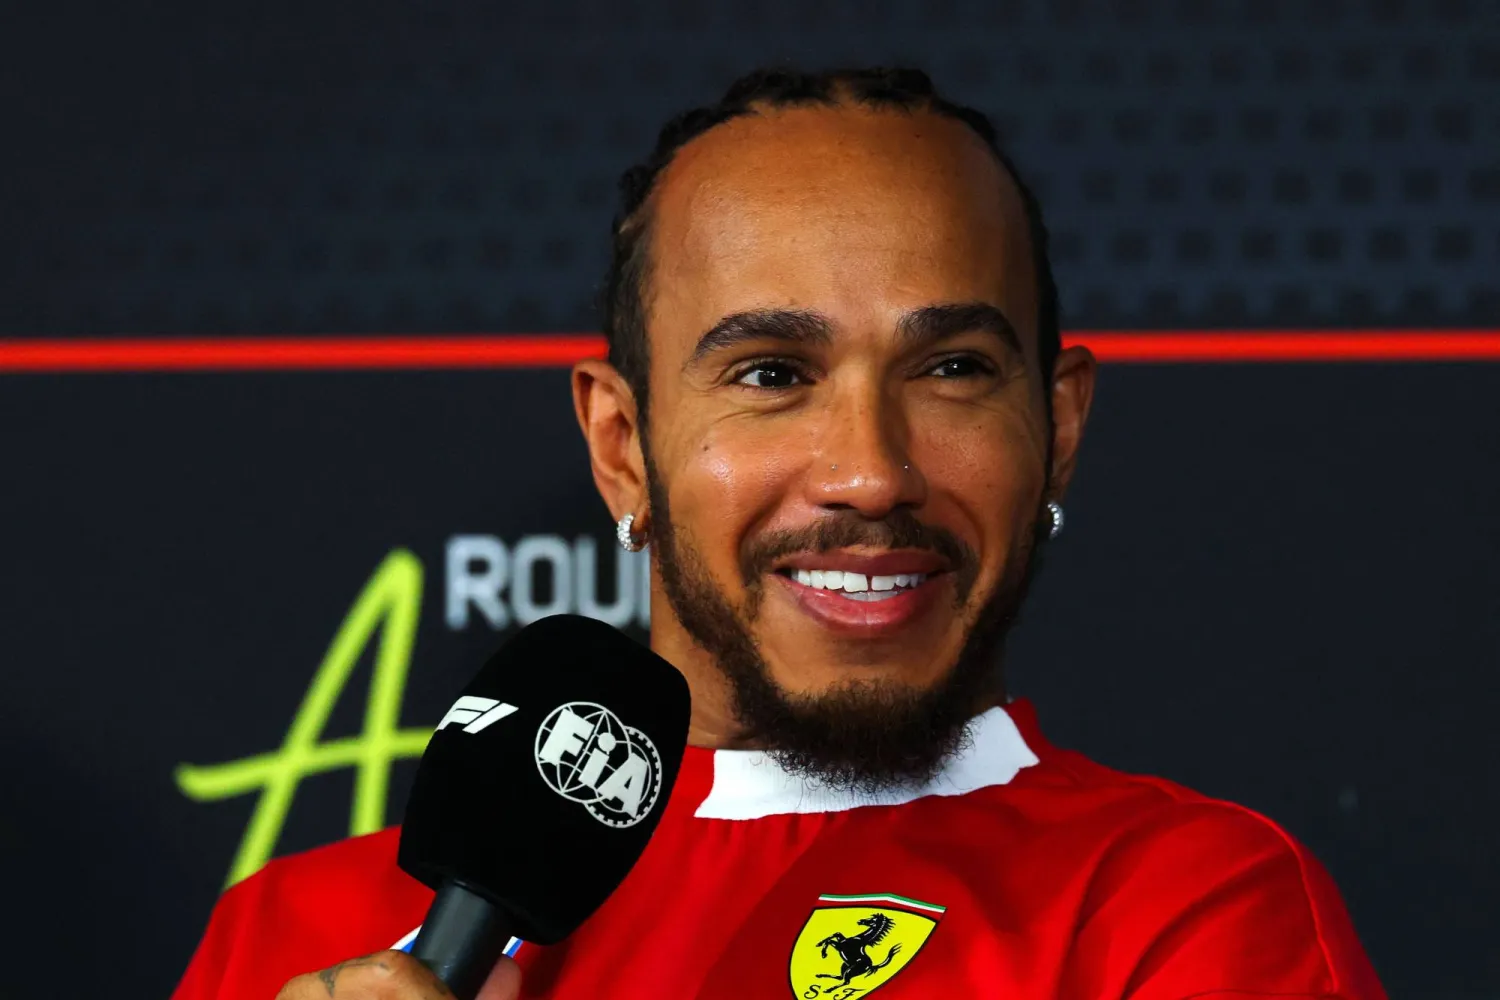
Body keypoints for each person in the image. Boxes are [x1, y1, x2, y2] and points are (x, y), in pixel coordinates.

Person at [175, 67, 1386, 1000]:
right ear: (621, 445)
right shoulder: (298, 937)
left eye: (953, 368)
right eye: (770, 373)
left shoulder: (1188, 908)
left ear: (1057, 428)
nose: (870, 471)